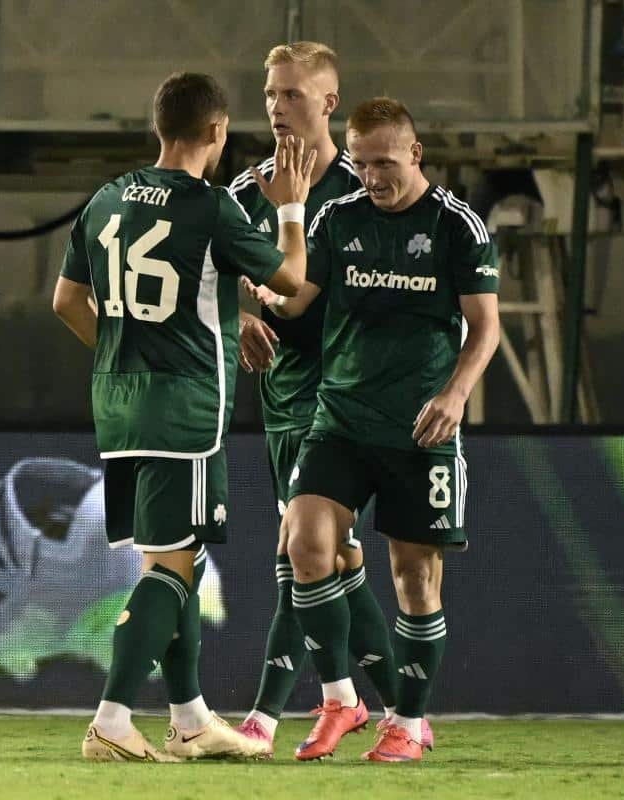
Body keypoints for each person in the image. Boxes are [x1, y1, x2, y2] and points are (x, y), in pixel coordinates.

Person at [53, 71, 314, 762]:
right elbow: (291, 282)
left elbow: (66, 301)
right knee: (170, 570)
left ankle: (190, 717)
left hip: (118, 408)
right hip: (185, 413)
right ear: (218, 132)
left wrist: (126, 351)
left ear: (158, 126)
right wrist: (292, 206)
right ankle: (111, 720)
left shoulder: (107, 198)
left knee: (177, 561)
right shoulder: (210, 207)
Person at [250, 96, 500, 762]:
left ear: (415, 154)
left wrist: (455, 395)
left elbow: (486, 327)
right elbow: (296, 297)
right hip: (340, 419)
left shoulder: (457, 226)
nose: (372, 177)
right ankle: (340, 698)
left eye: (385, 163)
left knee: (414, 578)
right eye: (361, 164)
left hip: (420, 428)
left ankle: (408, 721)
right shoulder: (339, 217)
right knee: (304, 546)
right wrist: (264, 289)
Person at [227, 41, 427, 758]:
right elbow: (216, 277)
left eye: (292, 94)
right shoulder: (245, 191)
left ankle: (267, 715)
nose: (277, 107)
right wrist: (240, 316)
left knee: (302, 551)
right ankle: (398, 710)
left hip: (341, 398)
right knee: (330, 558)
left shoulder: (361, 186)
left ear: (329, 103)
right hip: (280, 397)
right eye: (270, 94)